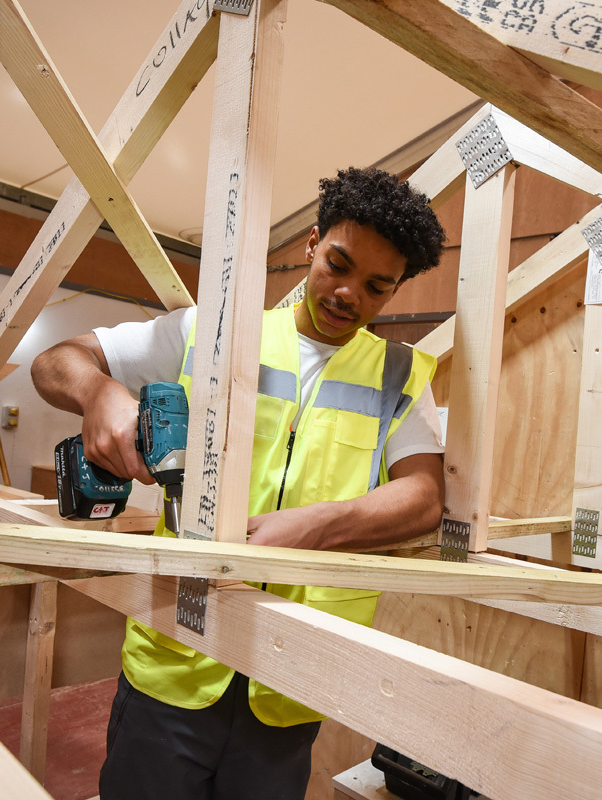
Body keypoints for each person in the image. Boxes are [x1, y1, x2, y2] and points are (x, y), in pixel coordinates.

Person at [31, 166, 448, 800]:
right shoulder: (209, 334)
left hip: (289, 680)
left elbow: (423, 497)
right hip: (174, 660)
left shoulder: (399, 377)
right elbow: (54, 361)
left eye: (376, 286)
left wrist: (316, 525)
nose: (347, 294)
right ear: (311, 244)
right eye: (337, 263)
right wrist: (99, 394)